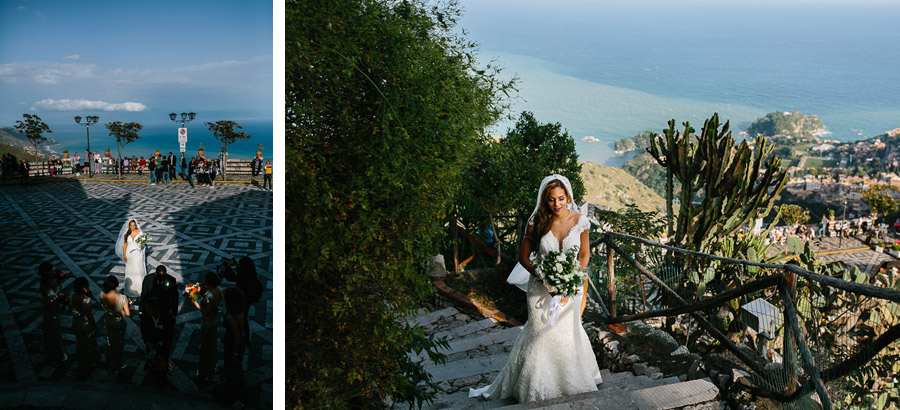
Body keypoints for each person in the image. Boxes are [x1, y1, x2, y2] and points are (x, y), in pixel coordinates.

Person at [470, 175, 601, 402]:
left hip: (571, 287)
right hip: (540, 289)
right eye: (551, 200)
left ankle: (569, 381)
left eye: (561, 198)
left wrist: (572, 281)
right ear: (545, 201)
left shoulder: (581, 222)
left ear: (568, 197)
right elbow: (523, 257)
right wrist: (546, 279)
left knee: (567, 333)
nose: (557, 204)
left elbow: (584, 255)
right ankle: (535, 386)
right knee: (539, 335)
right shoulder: (537, 222)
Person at [140, 265, 179, 383]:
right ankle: (150, 362)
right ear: (156, 274)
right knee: (150, 343)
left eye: (164, 276)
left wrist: (173, 313)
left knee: (163, 347)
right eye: (160, 276)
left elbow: (174, 297)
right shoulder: (148, 279)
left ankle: (163, 367)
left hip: (164, 311)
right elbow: (143, 294)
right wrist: (142, 310)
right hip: (150, 308)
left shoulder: (171, 280)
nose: (162, 279)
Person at [190, 271, 222, 379]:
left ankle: (206, 370)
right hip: (216, 319)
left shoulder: (208, 296)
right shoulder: (218, 290)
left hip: (208, 322)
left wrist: (196, 304)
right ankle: (214, 366)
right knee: (213, 344)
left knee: (206, 346)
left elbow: (206, 312)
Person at [220, 287, 247, 404]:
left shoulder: (231, 317)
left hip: (233, 345)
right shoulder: (240, 312)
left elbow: (236, 336)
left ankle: (231, 394)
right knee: (236, 368)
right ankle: (237, 389)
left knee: (231, 367)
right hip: (240, 343)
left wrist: (234, 353)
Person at [101, 275, 130, 374]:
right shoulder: (122, 298)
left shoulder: (102, 295)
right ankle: (117, 364)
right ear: (116, 285)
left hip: (109, 320)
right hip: (119, 322)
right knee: (118, 343)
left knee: (110, 341)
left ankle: (108, 362)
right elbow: (128, 313)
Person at [70, 276, 100, 370]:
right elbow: (90, 316)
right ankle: (87, 362)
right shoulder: (87, 300)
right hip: (86, 325)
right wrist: (94, 326)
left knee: (80, 343)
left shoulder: (71, 296)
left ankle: (80, 361)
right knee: (88, 344)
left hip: (76, 323)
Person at [39, 262, 67, 363]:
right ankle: (56, 354)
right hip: (53, 316)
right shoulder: (49, 295)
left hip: (48, 313)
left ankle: (47, 349)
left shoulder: (44, 282)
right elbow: (55, 308)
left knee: (48, 333)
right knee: (55, 335)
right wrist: (63, 303)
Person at [116, 219, 147, 298]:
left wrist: (141, 245)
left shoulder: (140, 233)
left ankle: (140, 288)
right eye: (131, 225)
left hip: (138, 254)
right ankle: (130, 288)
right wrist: (124, 255)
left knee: (138, 269)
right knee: (130, 270)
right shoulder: (126, 234)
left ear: (136, 225)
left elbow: (142, 243)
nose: (132, 227)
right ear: (129, 226)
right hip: (129, 254)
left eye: (134, 225)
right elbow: (125, 245)